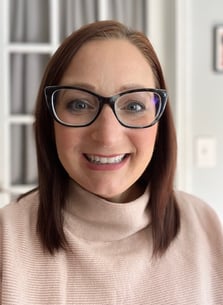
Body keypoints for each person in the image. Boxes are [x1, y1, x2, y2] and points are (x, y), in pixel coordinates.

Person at [0, 20, 222, 305]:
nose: (107, 136)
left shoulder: (206, 227)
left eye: (133, 106)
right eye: (80, 104)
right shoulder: (6, 241)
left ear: (160, 123)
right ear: (50, 120)